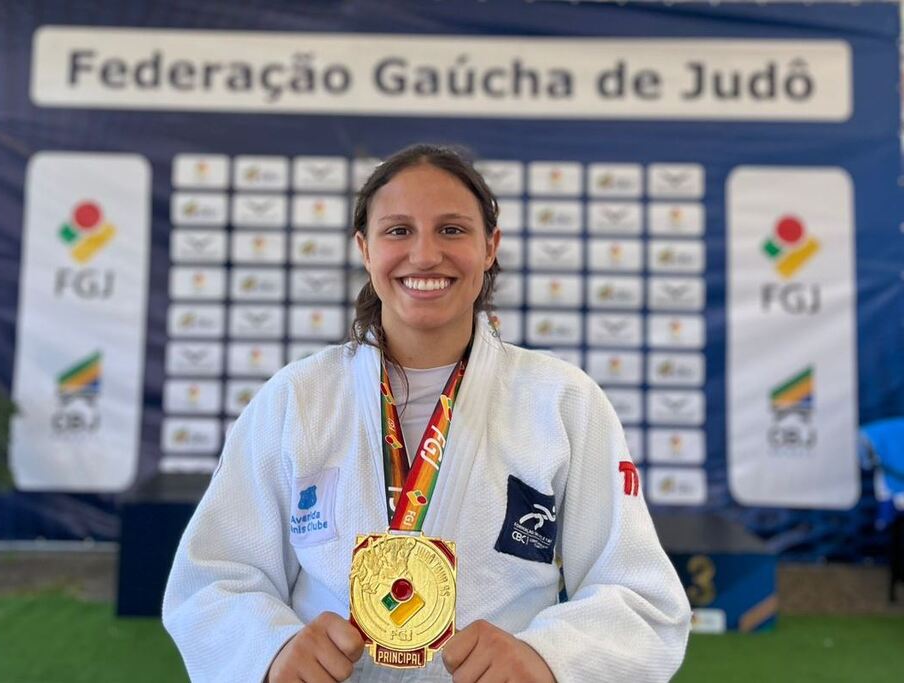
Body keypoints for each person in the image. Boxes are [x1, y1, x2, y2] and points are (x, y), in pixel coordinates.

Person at [163, 143, 691, 682]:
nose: (424, 255)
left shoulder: (562, 402)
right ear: (364, 249)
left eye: (452, 230)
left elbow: (639, 595)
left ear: (491, 247)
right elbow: (214, 575)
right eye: (398, 231)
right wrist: (271, 651)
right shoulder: (298, 399)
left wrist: (548, 660)